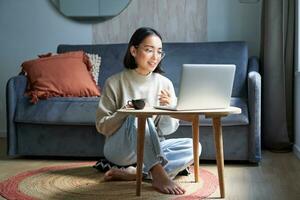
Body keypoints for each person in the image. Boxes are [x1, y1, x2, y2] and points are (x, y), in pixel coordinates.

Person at [95, 27, 201, 195]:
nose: (155, 57)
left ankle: (136, 173)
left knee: (194, 146)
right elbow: (102, 126)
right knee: (138, 117)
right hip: (121, 150)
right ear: (133, 51)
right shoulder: (114, 82)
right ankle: (158, 174)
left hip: (152, 148)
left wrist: (170, 108)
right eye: (149, 50)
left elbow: (167, 130)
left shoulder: (165, 84)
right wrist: (125, 112)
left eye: (159, 52)